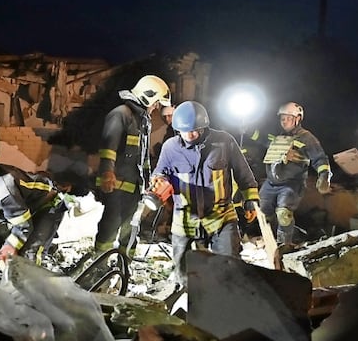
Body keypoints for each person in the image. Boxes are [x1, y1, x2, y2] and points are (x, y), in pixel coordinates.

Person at [150, 101, 259, 285]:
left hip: (221, 216)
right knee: (182, 272)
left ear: (204, 126)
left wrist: (251, 200)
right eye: (185, 131)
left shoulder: (224, 141)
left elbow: (244, 174)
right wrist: (159, 181)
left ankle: (227, 304)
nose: (190, 135)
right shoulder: (170, 147)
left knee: (229, 267)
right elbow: (160, 173)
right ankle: (186, 303)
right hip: (184, 218)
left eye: (195, 130)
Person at [93, 75, 171, 258]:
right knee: (109, 227)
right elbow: (108, 148)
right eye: (156, 102)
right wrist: (107, 172)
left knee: (131, 230)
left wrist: (149, 180)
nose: (156, 107)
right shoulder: (121, 114)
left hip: (136, 189)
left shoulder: (143, 121)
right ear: (147, 96)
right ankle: (98, 266)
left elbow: (142, 156)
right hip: (117, 187)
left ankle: (124, 266)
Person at [258, 102, 332, 245]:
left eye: (288, 118)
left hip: (291, 184)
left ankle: (284, 245)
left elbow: (320, 158)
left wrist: (324, 177)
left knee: (284, 214)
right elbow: (262, 139)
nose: (284, 121)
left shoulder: (307, 138)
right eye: (282, 118)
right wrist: (247, 130)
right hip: (270, 183)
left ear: (298, 118)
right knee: (262, 213)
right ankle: (273, 240)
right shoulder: (278, 137)